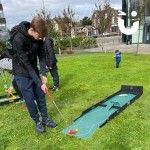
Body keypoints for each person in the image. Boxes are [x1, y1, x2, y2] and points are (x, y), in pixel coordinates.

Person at [11, 16, 57, 133]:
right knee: (30, 99)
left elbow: (41, 56)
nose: (41, 39)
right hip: (21, 72)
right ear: (31, 30)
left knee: (40, 96)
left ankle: (45, 119)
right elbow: (26, 65)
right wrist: (39, 82)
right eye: (39, 36)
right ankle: (37, 121)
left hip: (33, 70)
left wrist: (43, 74)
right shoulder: (18, 39)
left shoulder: (39, 37)